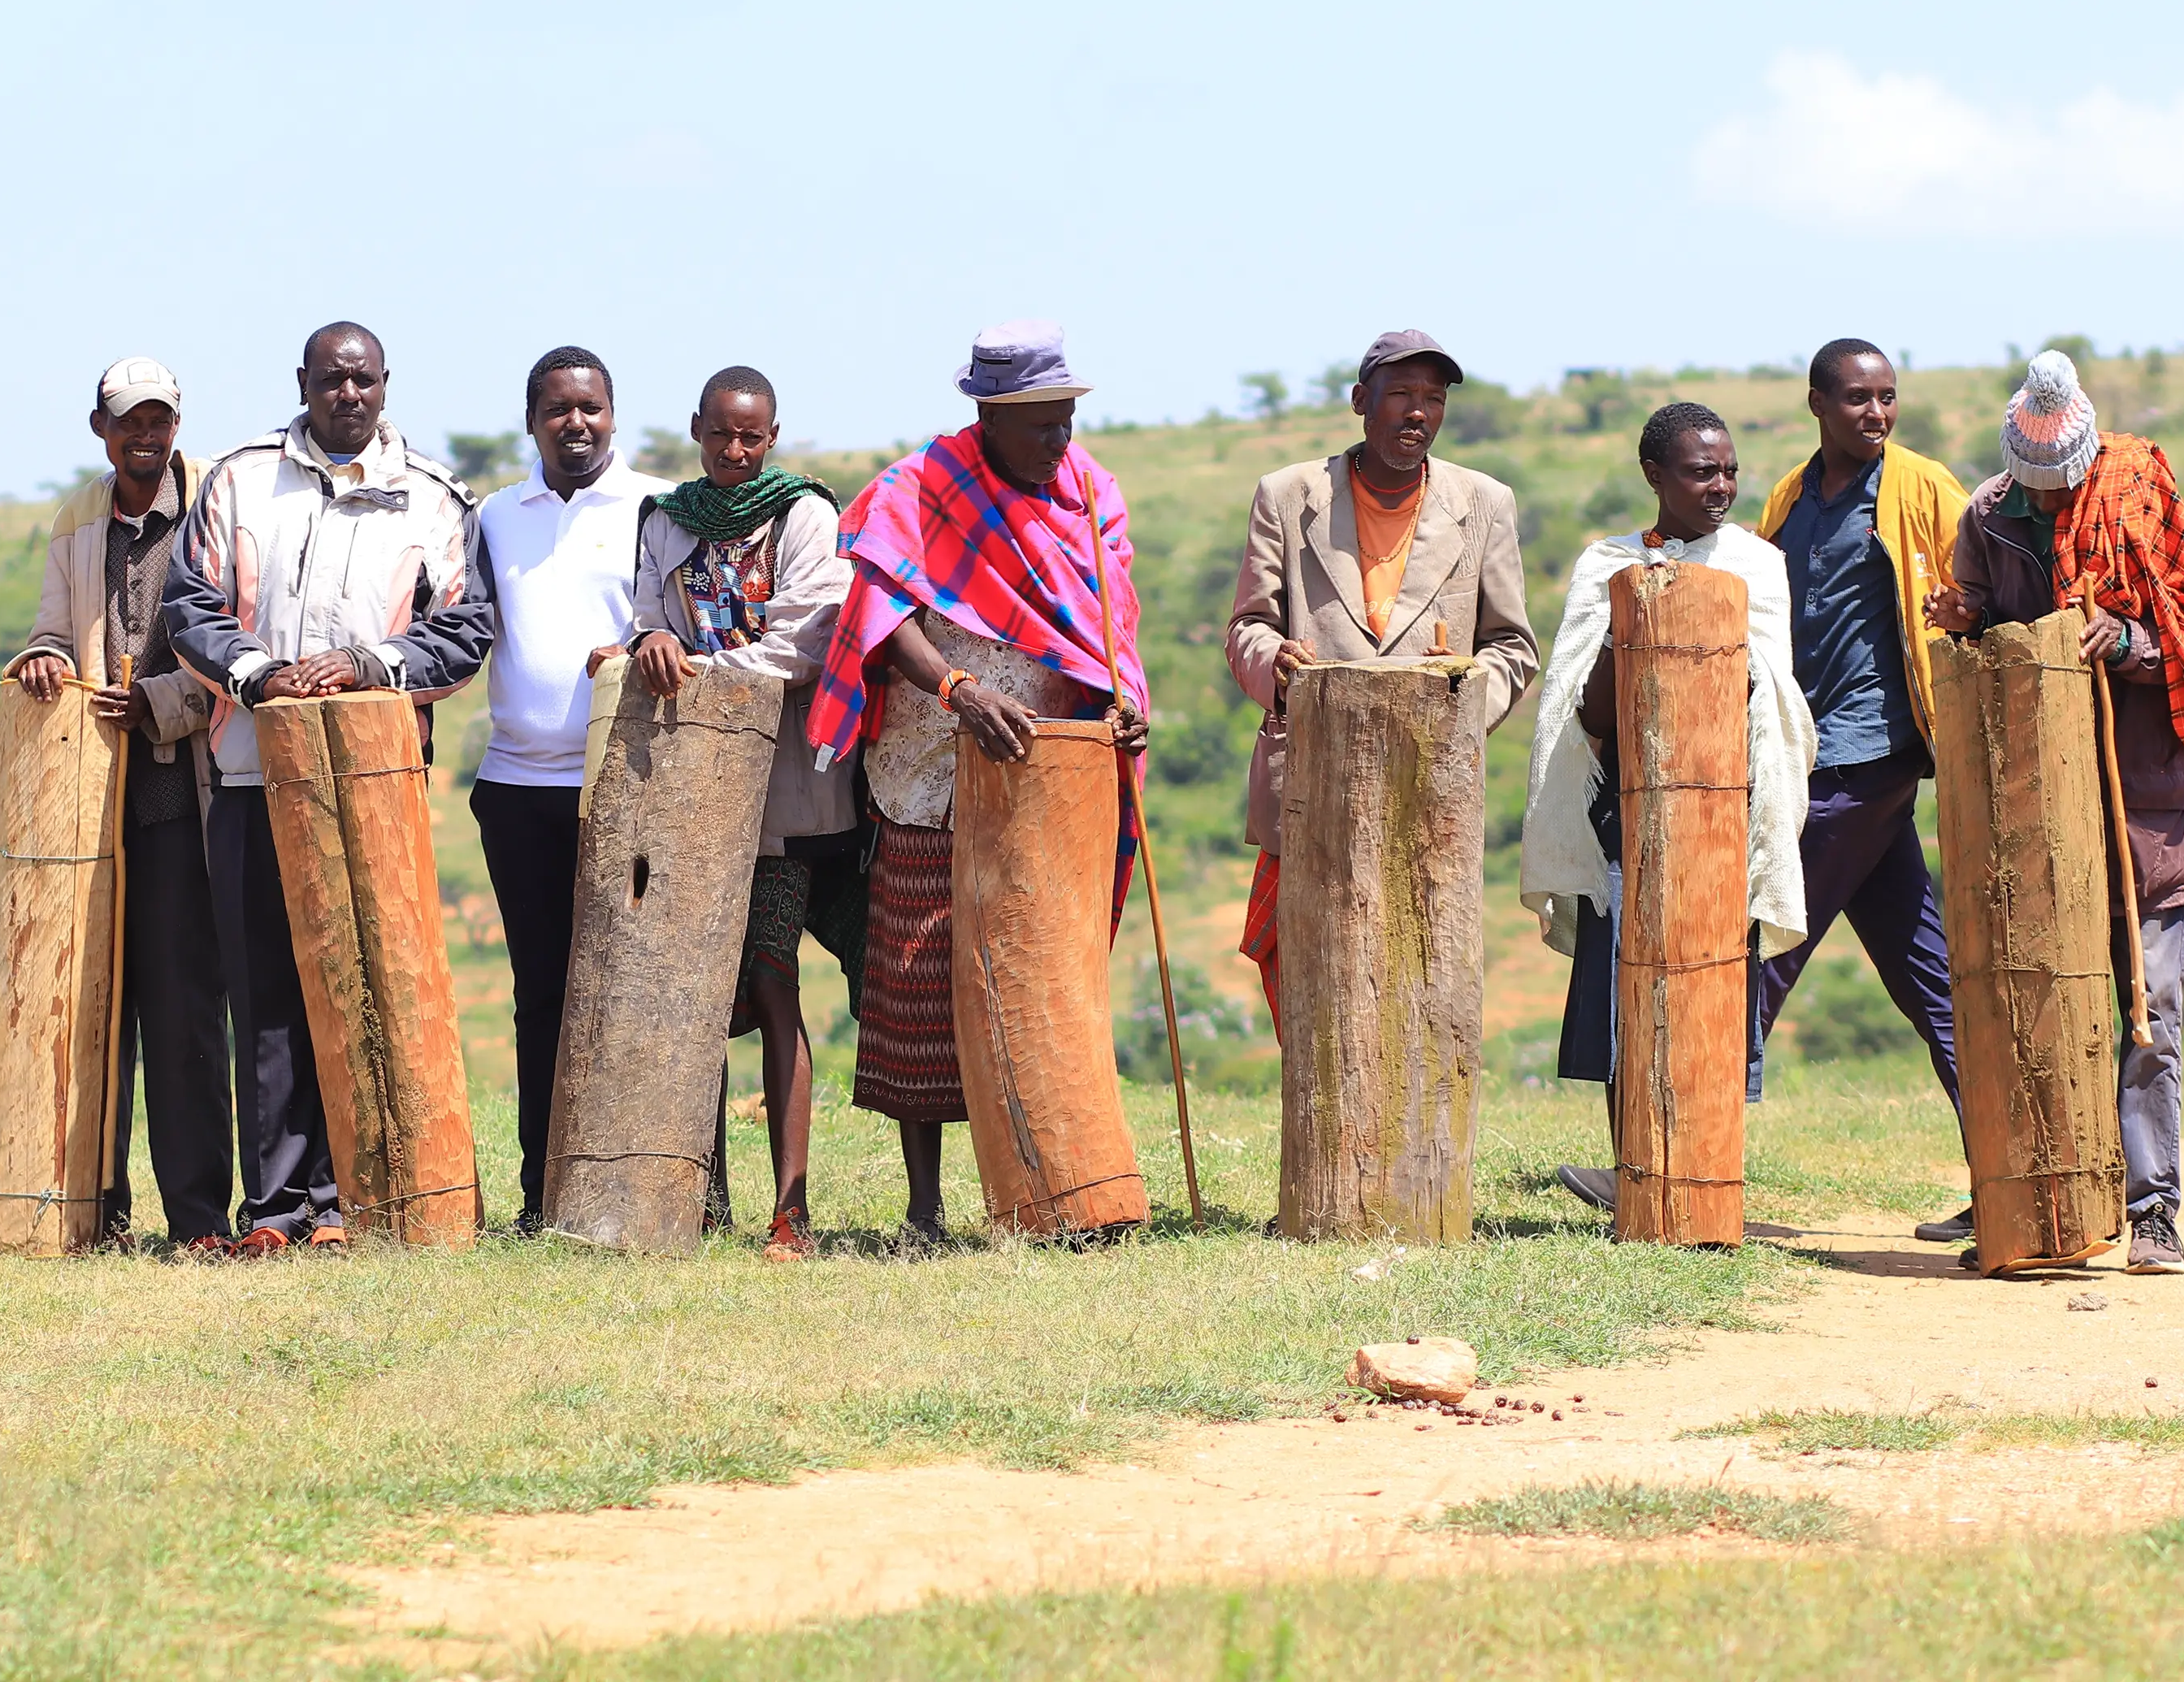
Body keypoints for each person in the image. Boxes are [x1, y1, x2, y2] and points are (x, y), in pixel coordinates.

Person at [806, 323, 1148, 1241]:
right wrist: (959, 688)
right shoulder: (920, 489)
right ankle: (925, 1205)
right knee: (919, 980)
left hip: (1046, 767)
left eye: (1068, 420)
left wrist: (1119, 710)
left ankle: (1050, 1188)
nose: (1059, 442)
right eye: (1040, 424)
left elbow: (1105, 635)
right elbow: (882, 615)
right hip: (929, 761)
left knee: (1040, 976)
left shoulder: (1089, 494)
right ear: (990, 416)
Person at [166, 323, 492, 1257]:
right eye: (330, 379)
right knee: (265, 992)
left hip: (375, 791)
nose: (347, 394)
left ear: (386, 384)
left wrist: (366, 665)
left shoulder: (432, 498)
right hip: (250, 771)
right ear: (302, 382)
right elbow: (190, 604)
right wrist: (259, 673)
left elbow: (466, 629)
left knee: (364, 984)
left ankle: (354, 1200)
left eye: (363, 380)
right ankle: (276, 1213)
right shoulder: (238, 480)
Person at [1932, 350, 2184, 1276]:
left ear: (2087, 463)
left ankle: (2153, 1208)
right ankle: (2036, 1198)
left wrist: (2127, 640)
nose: (2053, 507)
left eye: (2064, 487)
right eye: (2036, 488)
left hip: (2142, 804)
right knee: (2036, 998)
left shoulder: (2137, 491)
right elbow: (1974, 624)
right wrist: (1960, 614)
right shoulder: (1988, 517)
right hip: (2039, 819)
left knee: (2149, 1008)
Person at [1523, 403, 1814, 1213]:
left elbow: (1771, 692)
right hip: (1632, 813)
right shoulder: (1607, 565)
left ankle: (1705, 1169)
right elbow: (1580, 708)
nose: (1719, 485)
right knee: (1628, 993)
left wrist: (1703, 621)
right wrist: (1641, 615)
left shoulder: (1757, 566)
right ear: (1655, 475)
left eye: (1727, 469)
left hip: (1722, 816)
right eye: (1699, 470)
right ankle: (1635, 1171)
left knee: (1707, 995)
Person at [1224, 332, 1540, 1037]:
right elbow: (1246, 627)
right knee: (1312, 976)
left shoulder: (1484, 503)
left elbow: (1513, 646)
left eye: (1433, 399)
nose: (1417, 413)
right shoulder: (1288, 496)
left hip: (1429, 786)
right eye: (1400, 394)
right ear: (1361, 401)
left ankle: (1412, 1148)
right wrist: (1274, 666)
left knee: (1417, 976)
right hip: (1311, 781)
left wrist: (1450, 709)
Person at [5, 357, 236, 1254]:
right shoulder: (77, 518)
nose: (147, 435)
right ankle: (95, 1212)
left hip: (184, 800)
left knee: (183, 1016)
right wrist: (44, 660)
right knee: (91, 1007)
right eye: (129, 421)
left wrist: (164, 702)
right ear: (99, 429)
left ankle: (199, 1222)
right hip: (85, 808)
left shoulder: (215, 505)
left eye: (160, 420)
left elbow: (241, 641)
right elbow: (50, 632)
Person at [1751, 338, 1972, 1242]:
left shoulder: (1920, 488)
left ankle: (1684, 1160)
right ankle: (2011, 1171)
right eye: (1857, 399)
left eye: (1888, 398)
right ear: (1817, 403)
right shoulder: (1790, 501)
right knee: (1935, 983)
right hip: (1805, 755)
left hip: (1872, 754)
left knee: (1757, 943)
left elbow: (1989, 579)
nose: (1876, 414)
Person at [629, 365, 852, 1259]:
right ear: (696, 427)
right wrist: (653, 640)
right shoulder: (665, 518)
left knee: (772, 978)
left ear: (773, 436)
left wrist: (694, 665)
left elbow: (802, 643)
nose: (735, 450)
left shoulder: (804, 514)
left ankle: (789, 1210)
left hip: (781, 787)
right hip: (684, 785)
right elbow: (647, 616)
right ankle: (703, 1196)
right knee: (693, 996)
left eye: (751, 437)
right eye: (721, 434)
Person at [461, 347, 669, 1230]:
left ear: (613, 415)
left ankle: (681, 1191)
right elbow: (465, 628)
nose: (574, 422)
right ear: (532, 419)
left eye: (589, 407)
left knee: (647, 986)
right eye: (557, 409)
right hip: (516, 787)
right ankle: (543, 1196)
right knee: (541, 992)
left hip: (634, 784)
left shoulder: (657, 506)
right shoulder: (496, 516)